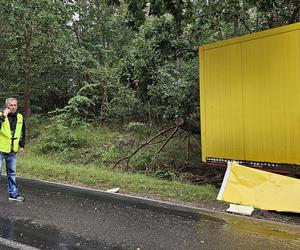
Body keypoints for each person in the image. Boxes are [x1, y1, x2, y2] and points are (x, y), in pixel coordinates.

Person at [0, 98, 25, 202]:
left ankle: (13, 194)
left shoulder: (20, 117)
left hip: (12, 150)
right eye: (11, 105)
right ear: (6, 106)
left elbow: (22, 132)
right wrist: (3, 116)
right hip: (0, 149)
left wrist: (22, 145)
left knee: (12, 173)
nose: (13, 107)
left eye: (15, 105)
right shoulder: (1, 115)